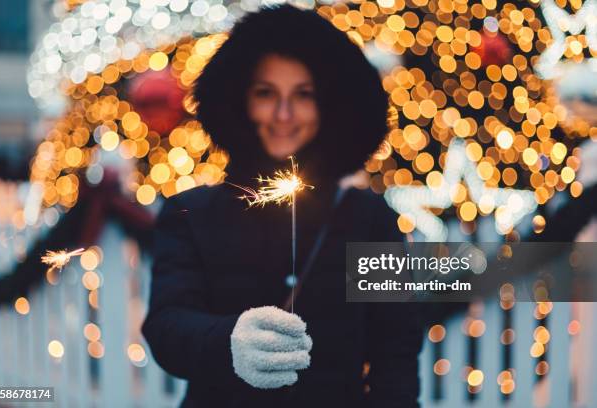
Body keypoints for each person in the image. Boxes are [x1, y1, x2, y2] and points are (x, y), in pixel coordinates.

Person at [141, 5, 422, 408]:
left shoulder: (368, 220)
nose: (284, 115)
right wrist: (228, 341)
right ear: (240, 100)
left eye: (303, 95)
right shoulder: (192, 214)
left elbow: (394, 353)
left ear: (328, 105)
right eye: (266, 93)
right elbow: (168, 325)